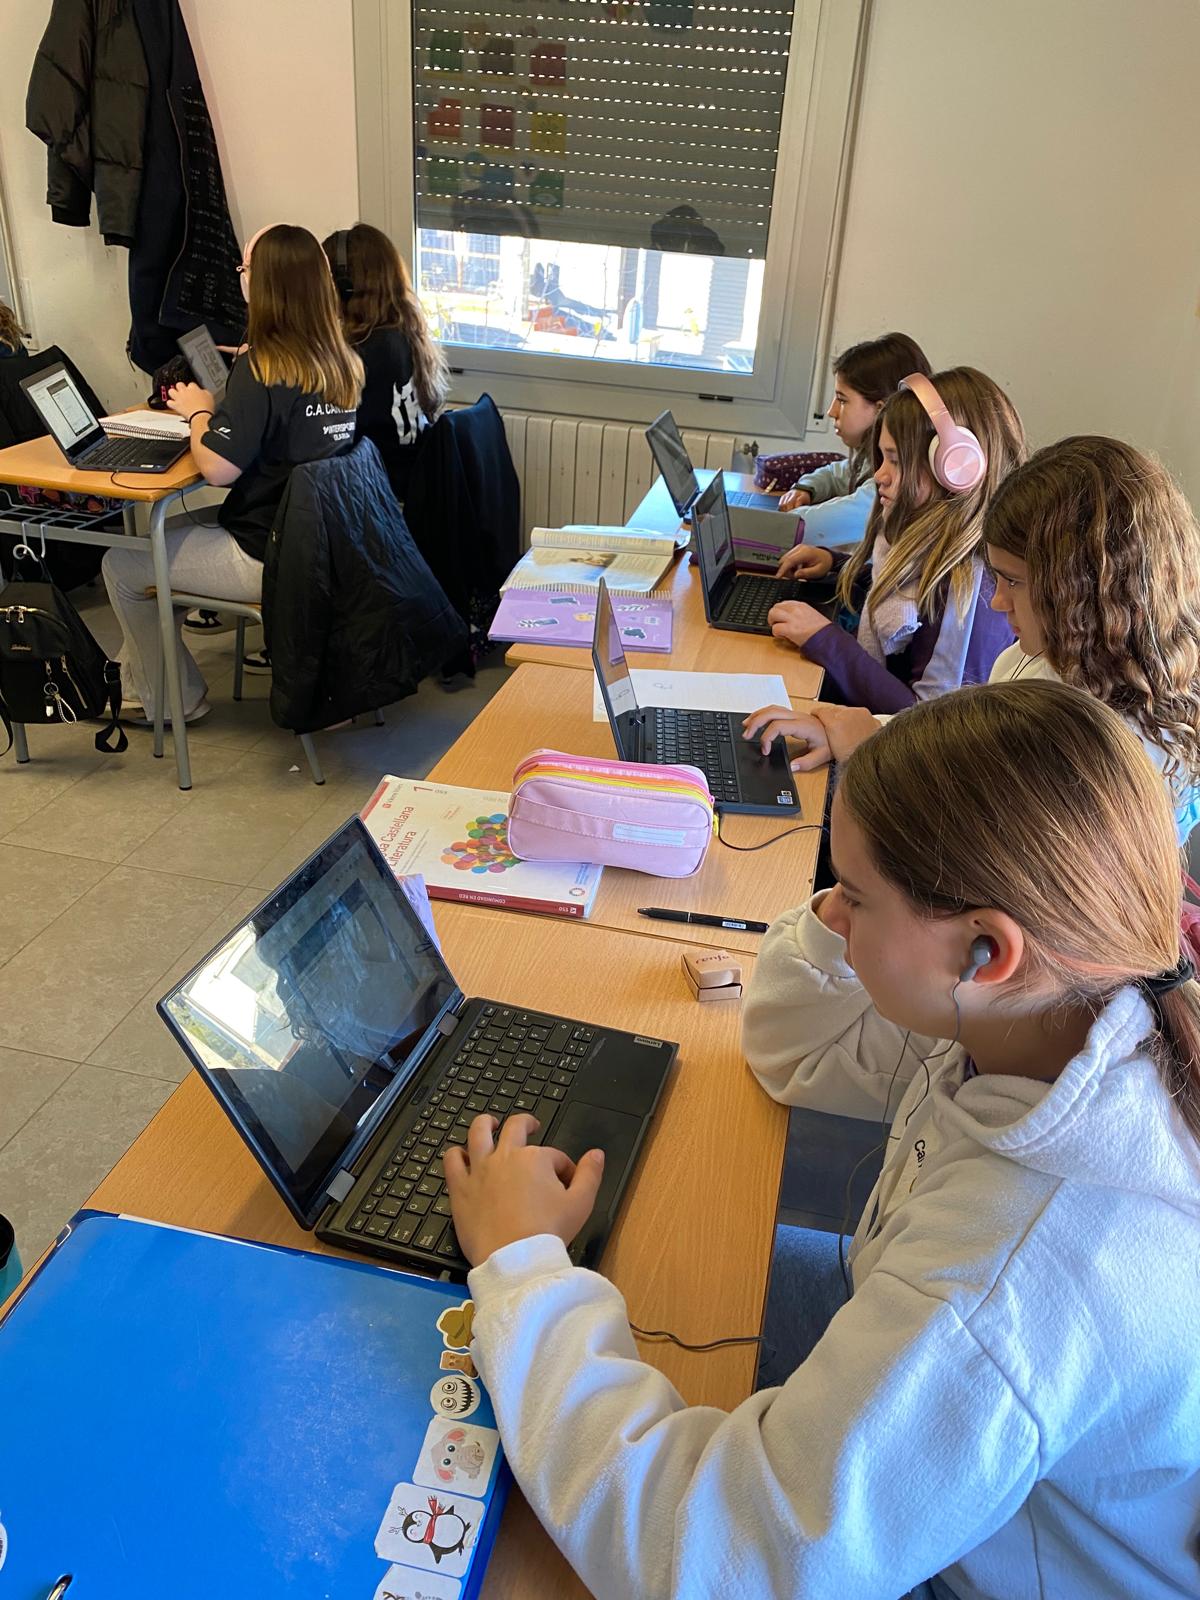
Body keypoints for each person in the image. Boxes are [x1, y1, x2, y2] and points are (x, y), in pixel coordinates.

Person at [444, 680, 1200, 1600]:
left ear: (986, 952)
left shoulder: (1008, 1284)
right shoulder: (1054, 1010)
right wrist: (858, 905)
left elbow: (717, 1563)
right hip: (950, 1480)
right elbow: (794, 1054)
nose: (829, 915)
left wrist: (525, 1266)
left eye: (854, 897)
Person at [746, 436, 1200, 844]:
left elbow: (982, 847)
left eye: (1014, 581)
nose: (999, 602)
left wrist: (869, 752)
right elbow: (963, 754)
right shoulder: (1039, 658)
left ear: (1084, 589)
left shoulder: (1115, 752)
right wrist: (862, 733)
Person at [102, 224, 361, 724]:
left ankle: (175, 701)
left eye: (244, 268)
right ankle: (134, 681)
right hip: (326, 550)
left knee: (122, 564)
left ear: (259, 285)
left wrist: (199, 411)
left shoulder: (264, 368)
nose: (239, 275)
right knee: (162, 541)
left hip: (269, 558)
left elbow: (218, 470)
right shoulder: (340, 360)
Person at [764, 367, 1023, 713]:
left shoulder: (970, 586)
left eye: (896, 461)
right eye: (882, 458)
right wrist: (838, 566)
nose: (879, 476)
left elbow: (929, 717)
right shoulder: (927, 541)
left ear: (956, 467)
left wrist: (825, 640)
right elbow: (906, 595)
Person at [322, 222, 448, 503]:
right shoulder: (403, 335)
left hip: (377, 497)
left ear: (346, 286)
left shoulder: (367, 350)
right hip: (404, 488)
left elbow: (327, 434)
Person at [776, 331, 932, 548]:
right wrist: (806, 488)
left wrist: (769, 522)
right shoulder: (873, 460)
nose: (831, 411)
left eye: (842, 400)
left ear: (881, 410)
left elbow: (805, 529)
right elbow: (837, 472)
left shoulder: (900, 478)